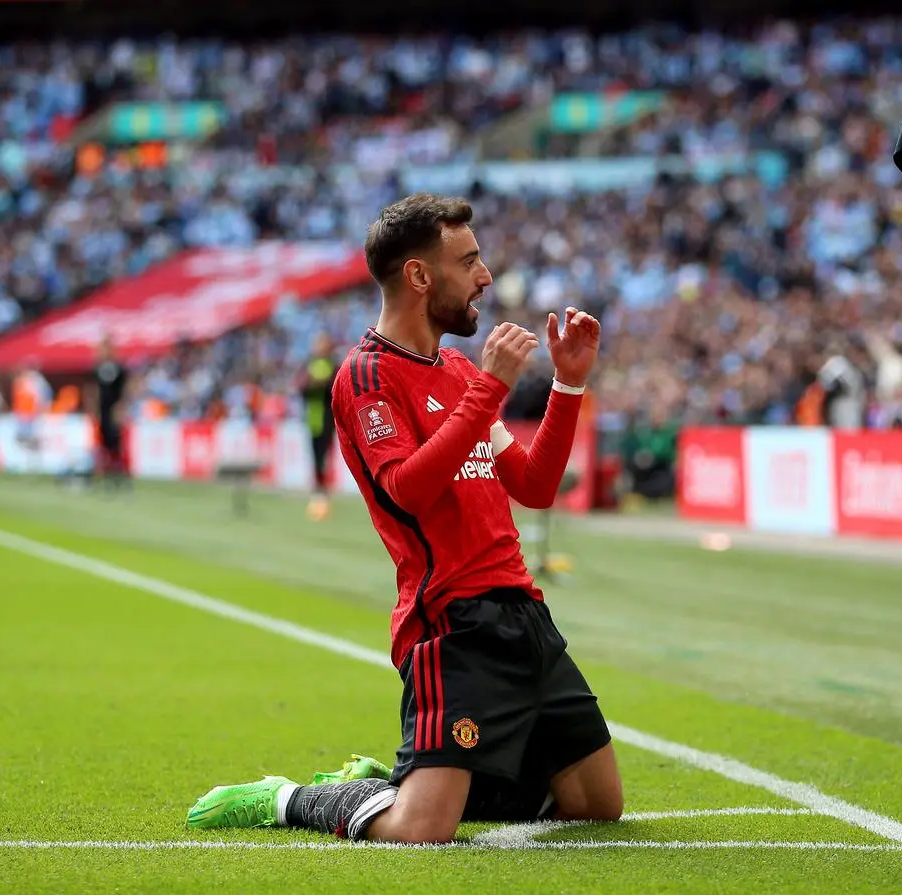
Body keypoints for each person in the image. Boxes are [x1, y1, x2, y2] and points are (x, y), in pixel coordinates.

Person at [186, 193, 622, 843]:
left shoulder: (453, 368)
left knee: (595, 803)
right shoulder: (365, 377)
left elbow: (533, 484)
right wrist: (488, 390)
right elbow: (405, 491)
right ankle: (294, 798)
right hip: (454, 624)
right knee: (423, 829)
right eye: (468, 260)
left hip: (523, 615)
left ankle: (409, 777)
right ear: (420, 276)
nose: (485, 276)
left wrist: (568, 384)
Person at [299, 332, 338, 521]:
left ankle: (323, 494)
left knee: (324, 457)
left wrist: (318, 384)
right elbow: (302, 389)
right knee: (315, 458)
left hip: (327, 418)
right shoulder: (310, 364)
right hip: (312, 418)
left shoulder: (332, 365)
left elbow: (333, 388)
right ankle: (318, 493)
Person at [92, 338, 130, 488]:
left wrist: (121, 408)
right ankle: (105, 472)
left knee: (115, 441)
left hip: (114, 410)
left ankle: (118, 472)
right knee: (103, 442)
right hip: (102, 410)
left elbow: (123, 390)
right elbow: (93, 389)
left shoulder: (118, 368)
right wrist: (94, 409)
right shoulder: (97, 368)